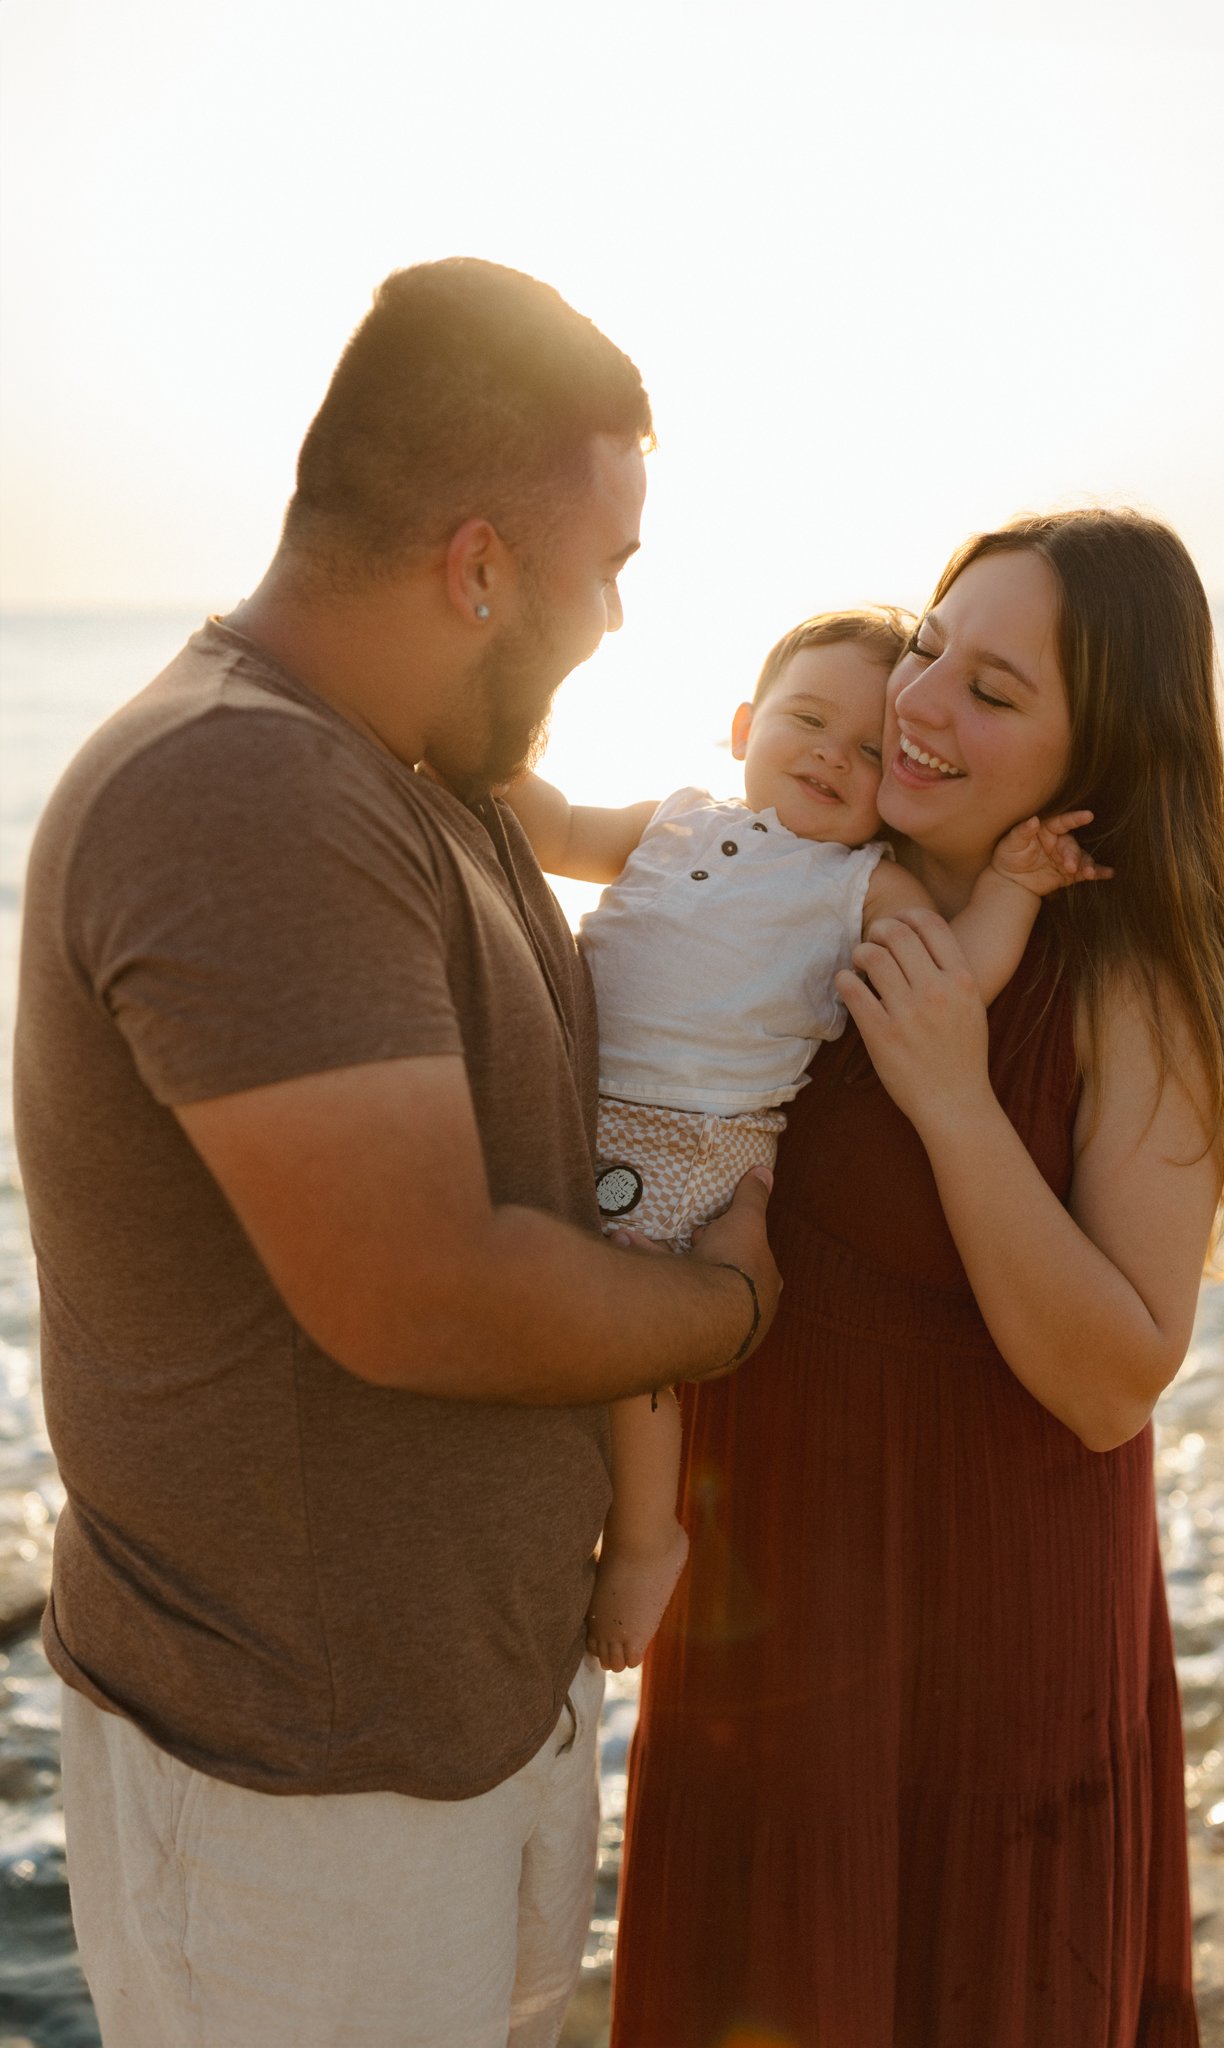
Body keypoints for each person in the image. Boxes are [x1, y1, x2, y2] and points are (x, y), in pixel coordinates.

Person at [12, 258, 784, 2048]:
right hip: (301, 1796)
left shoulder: (418, 778)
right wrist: (727, 1308)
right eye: (611, 569)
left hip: (458, 1731)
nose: (613, 620)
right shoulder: (244, 788)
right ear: (481, 562)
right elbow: (424, 1295)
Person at [610, 510, 1224, 2048]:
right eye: (928, 644)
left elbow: (1116, 1379)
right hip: (760, 1639)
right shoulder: (795, 885)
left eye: (992, 690)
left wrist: (952, 1095)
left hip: (998, 1662)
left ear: (1097, 749)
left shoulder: (1129, 979)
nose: (917, 702)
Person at [505, 608, 1107, 1671]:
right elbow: (550, 828)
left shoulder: (860, 884)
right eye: (807, 718)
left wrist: (1012, 887)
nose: (834, 751)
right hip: (570, 1104)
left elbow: (953, 977)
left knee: (634, 1330)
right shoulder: (671, 819)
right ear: (744, 725)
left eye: (872, 749)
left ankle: (646, 1537)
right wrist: (482, 746)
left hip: (698, 1140)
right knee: (528, 1288)